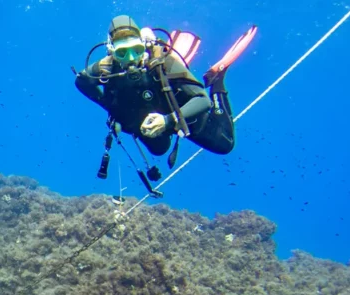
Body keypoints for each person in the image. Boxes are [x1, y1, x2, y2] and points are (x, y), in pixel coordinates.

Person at [74, 15, 257, 195]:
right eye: (122, 53)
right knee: (160, 149)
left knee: (225, 145)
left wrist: (168, 120)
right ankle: (176, 81)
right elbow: (81, 82)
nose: (131, 59)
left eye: (136, 50)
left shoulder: (162, 62)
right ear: (112, 52)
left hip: (180, 112)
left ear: (143, 46)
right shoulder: (106, 68)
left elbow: (202, 100)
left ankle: (217, 79)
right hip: (146, 117)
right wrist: (111, 108)